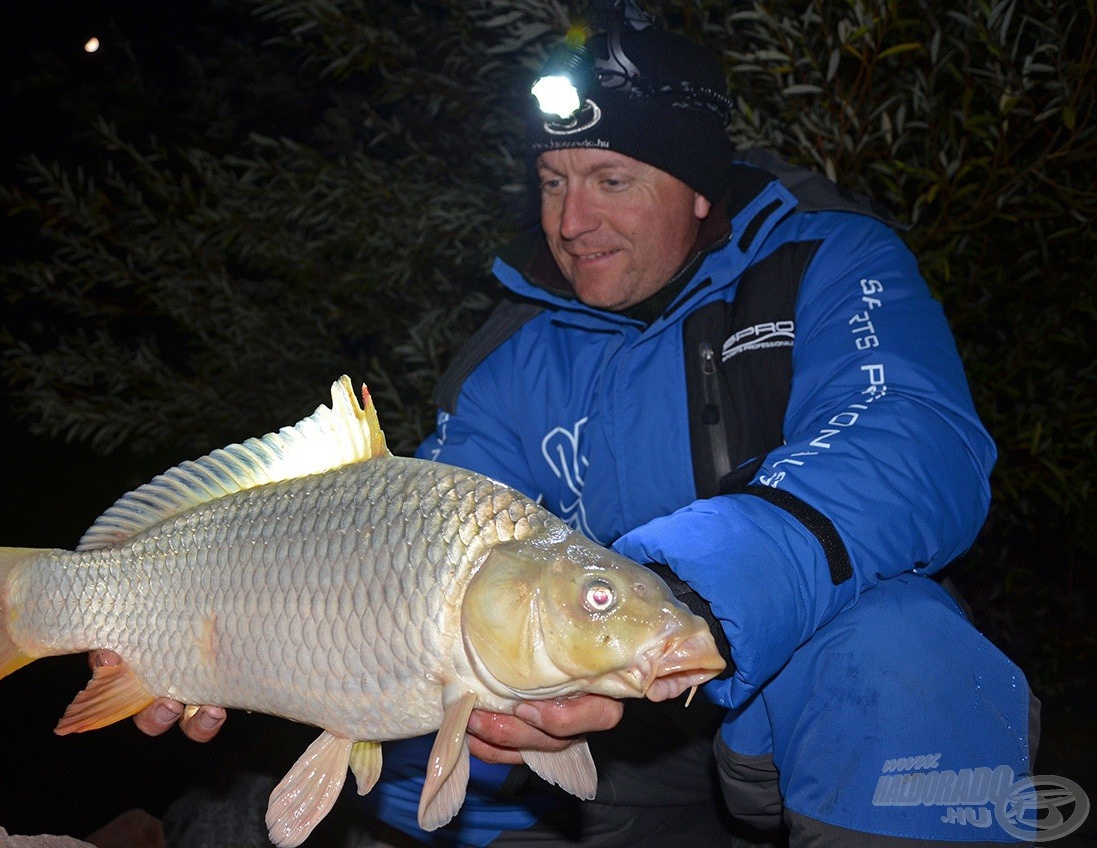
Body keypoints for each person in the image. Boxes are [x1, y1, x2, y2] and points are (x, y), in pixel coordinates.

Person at [101, 2, 1039, 845]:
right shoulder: (509, 357)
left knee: (907, 656)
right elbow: (410, 556)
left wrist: (693, 593)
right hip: (587, 713)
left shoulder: (827, 262)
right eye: (552, 182)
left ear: (700, 188)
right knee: (355, 784)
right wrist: (234, 630)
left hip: (791, 686)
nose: (572, 220)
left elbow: (915, 438)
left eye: (612, 180)